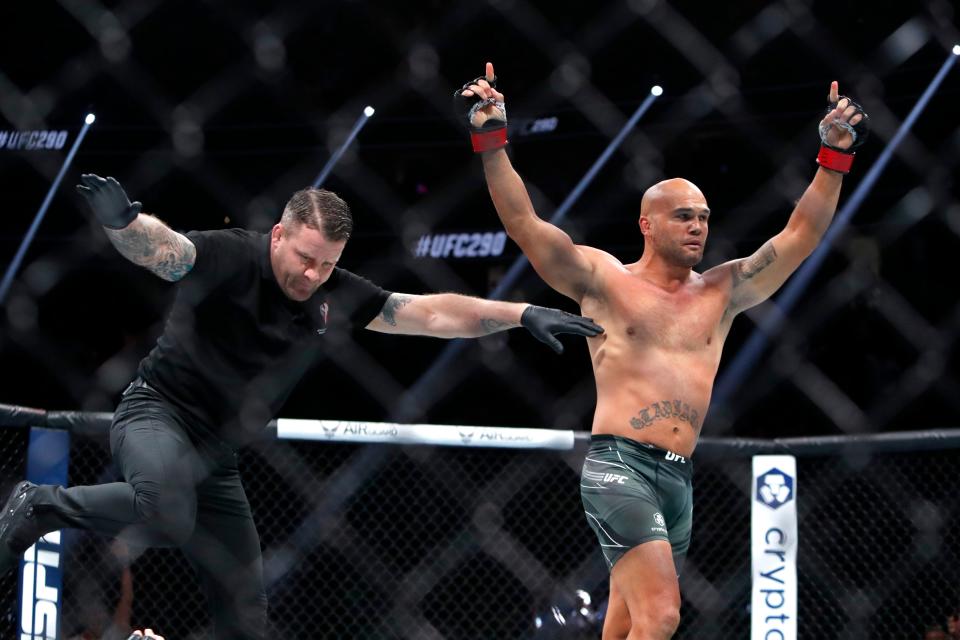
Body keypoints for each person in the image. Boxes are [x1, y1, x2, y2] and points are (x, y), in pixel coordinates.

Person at [0, 176, 603, 640]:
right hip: (160, 414)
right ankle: (41, 504)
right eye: (305, 258)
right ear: (279, 235)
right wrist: (124, 223)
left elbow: (431, 312)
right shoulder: (235, 256)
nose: (313, 274)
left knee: (246, 616)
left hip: (221, 458)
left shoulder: (332, 290)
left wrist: (520, 314)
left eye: (328, 264)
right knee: (164, 513)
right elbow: (169, 252)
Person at [457, 62, 867, 640]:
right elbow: (525, 224)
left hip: (680, 479)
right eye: (683, 216)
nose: (698, 227)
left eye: (703, 217)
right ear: (646, 224)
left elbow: (798, 238)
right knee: (663, 615)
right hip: (619, 465)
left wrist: (834, 157)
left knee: (625, 623)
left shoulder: (723, 291)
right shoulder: (603, 280)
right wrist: (491, 139)